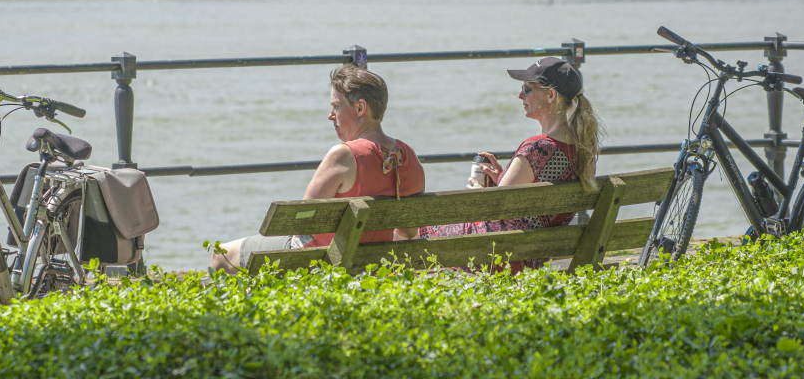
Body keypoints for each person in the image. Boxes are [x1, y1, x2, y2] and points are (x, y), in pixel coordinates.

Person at [210, 64, 426, 272]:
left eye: (336, 106)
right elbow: (408, 232)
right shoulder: (409, 157)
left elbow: (302, 223)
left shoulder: (344, 156)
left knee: (222, 254)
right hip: (375, 265)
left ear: (360, 107)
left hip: (320, 260)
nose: (331, 115)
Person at [418, 57, 603, 272]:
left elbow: (497, 210)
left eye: (527, 89)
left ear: (551, 95)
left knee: (419, 229)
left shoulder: (537, 147)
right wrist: (504, 180)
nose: (520, 95)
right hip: (532, 258)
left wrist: (479, 193)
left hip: (498, 255)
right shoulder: (582, 149)